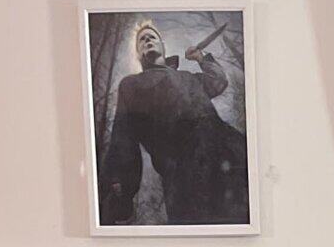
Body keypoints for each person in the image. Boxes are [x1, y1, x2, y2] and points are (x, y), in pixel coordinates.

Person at [98, 18, 250, 227]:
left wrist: (201, 57)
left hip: (232, 159)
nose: (147, 39)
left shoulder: (188, 77)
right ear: (139, 54)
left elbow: (218, 81)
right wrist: (120, 189)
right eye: (142, 40)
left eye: (152, 37)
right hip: (185, 180)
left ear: (163, 46)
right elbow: (123, 139)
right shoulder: (132, 86)